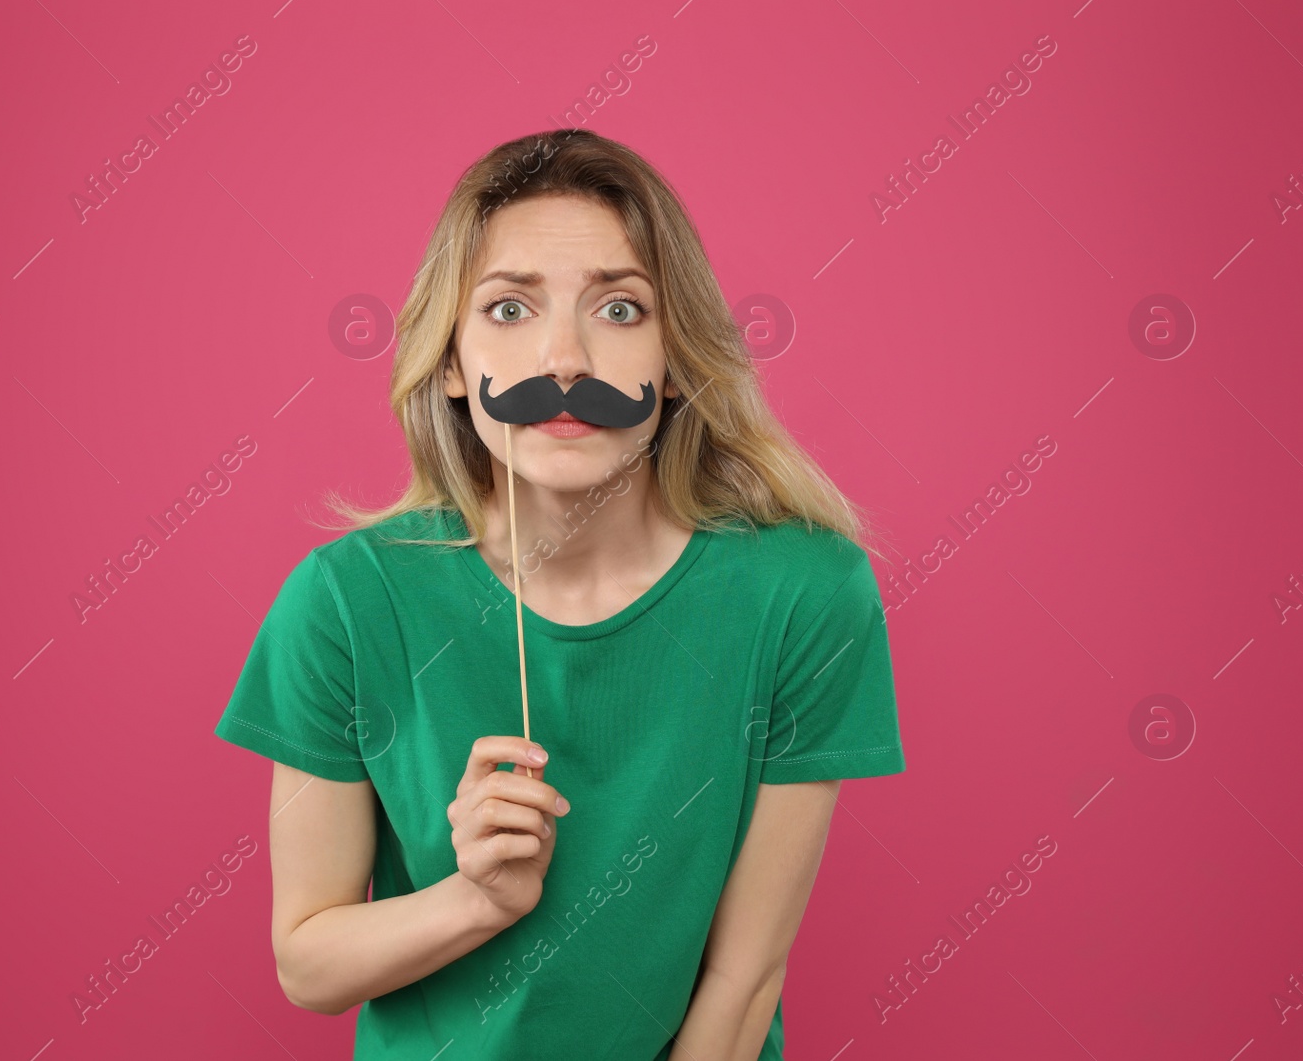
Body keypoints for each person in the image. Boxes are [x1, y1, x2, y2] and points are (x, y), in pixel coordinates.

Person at [213, 128, 906, 1060]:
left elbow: (743, 986)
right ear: (451, 364)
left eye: (620, 310)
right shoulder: (344, 602)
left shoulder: (806, 596)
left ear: (672, 362)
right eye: (508, 309)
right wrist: (476, 898)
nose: (565, 359)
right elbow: (309, 964)